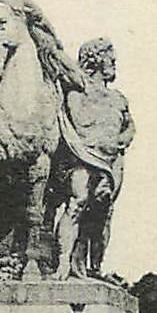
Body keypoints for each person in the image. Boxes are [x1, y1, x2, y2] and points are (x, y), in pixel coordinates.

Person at [55, 37, 135, 279]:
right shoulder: (78, 88)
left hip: (111, 162)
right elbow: (76, 121)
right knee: (77, 201)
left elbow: (130, 126)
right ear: (97, 59)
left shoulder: (119, 98)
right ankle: (63, 263)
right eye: (110, 59)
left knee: (101, 214)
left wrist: (124, 138)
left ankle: (95, 267)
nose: (114, 64)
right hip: (83, 155)